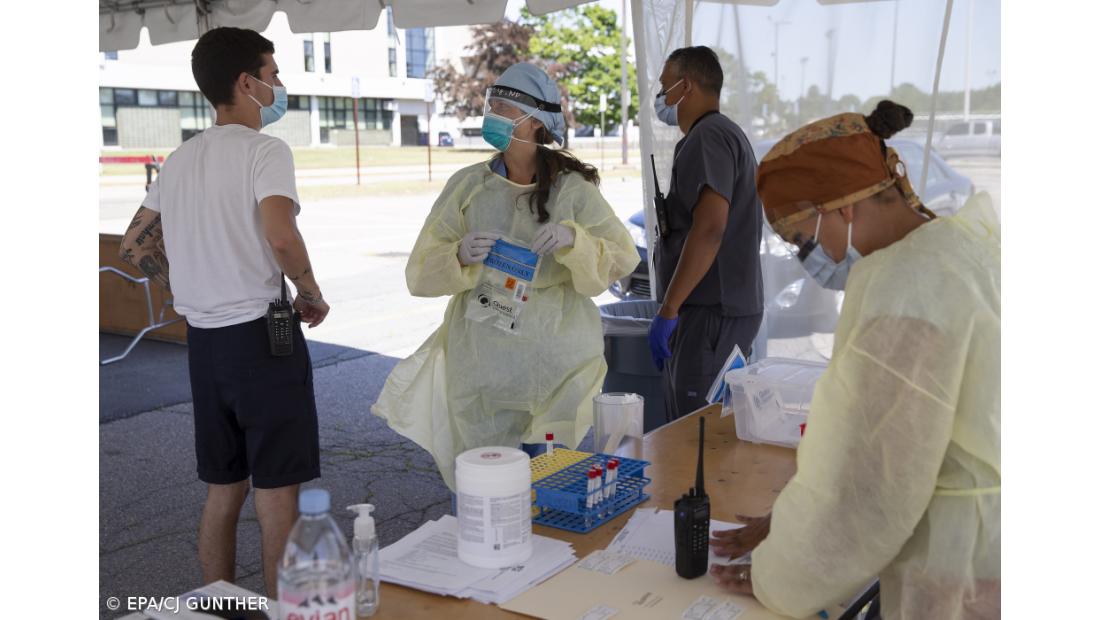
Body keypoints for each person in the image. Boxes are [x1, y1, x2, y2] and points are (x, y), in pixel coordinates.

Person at [707, 101, 1000, 620]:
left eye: (801, 240)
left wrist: (781, 576)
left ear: (840, 208)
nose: (807, 259)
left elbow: (874, 487)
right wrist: (793, 517)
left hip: (963, 564)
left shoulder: (908, 289)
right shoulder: (964, 250)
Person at [118, 27, 329, 597]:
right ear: (246, 82)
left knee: (223, 487)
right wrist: (310, 293)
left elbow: (134, 246)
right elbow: (282, 238)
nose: (279, 84)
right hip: (262, 339)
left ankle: (215, 606)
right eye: (273, 73)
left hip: (204, 343)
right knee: (277, 492)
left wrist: (188, 281)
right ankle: (286, 611)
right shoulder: (266, 151)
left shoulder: (181, 157)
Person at [371, 63, 639, 489]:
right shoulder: (468, 186)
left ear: (534, 122)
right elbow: (420, 272)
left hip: (555, 371)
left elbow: (623, 259)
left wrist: (576, 240)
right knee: (483, 492)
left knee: (546, 488)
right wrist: (456, 255)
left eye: (501, 106)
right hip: (482, 370)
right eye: (489, 105)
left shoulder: (572, 191)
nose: (489, 115)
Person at [646, 46, 764, 422]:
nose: (662, 99)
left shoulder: (708, 137)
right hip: (717, 309)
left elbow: (710, 228)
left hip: (713, 311)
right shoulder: (722, 134)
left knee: (696, 433)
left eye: (666, 88)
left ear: (688, 86)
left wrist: (668, 308)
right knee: (704, 427)